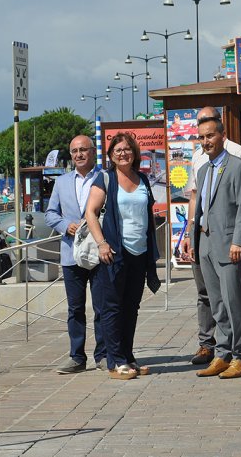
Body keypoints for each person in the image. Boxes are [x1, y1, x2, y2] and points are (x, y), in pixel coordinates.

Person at [180, 107, 241, 367]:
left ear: (222, 136)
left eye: (210, 136)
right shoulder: (203, 169)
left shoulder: (237, 165)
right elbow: (199, 206)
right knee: (216, 303)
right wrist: (192, 237)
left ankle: (240, 355)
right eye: (201, 137)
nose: (206, 142)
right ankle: (222, 353)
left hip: (228, 244)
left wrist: (239, 240)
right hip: (205, 243)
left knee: (233, 299)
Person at [84, 132, 161, 380]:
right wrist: (102, 243)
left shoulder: (142, 179)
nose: (123, 154)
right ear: (110, 155)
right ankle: (115, 360)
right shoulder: (104, 178)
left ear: (135, 152)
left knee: (131, 307)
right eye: (117, 150)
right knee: (112, 308)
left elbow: (148, 215)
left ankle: (127, 356)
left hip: (139, 252)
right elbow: (91, 213)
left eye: (127, 149)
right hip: (114, 253)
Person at [46, 135, 105, 374]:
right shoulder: (61, 182)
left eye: (83, 150)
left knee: (102, 307)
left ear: (93, 152)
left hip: (100, 253)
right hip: (71, 254)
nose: (79, 155)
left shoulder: (105, 178)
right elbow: (50, 214)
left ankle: (102, 355)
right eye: (74, 151)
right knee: (75, 309)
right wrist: (65, 226)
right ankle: (77, 356)